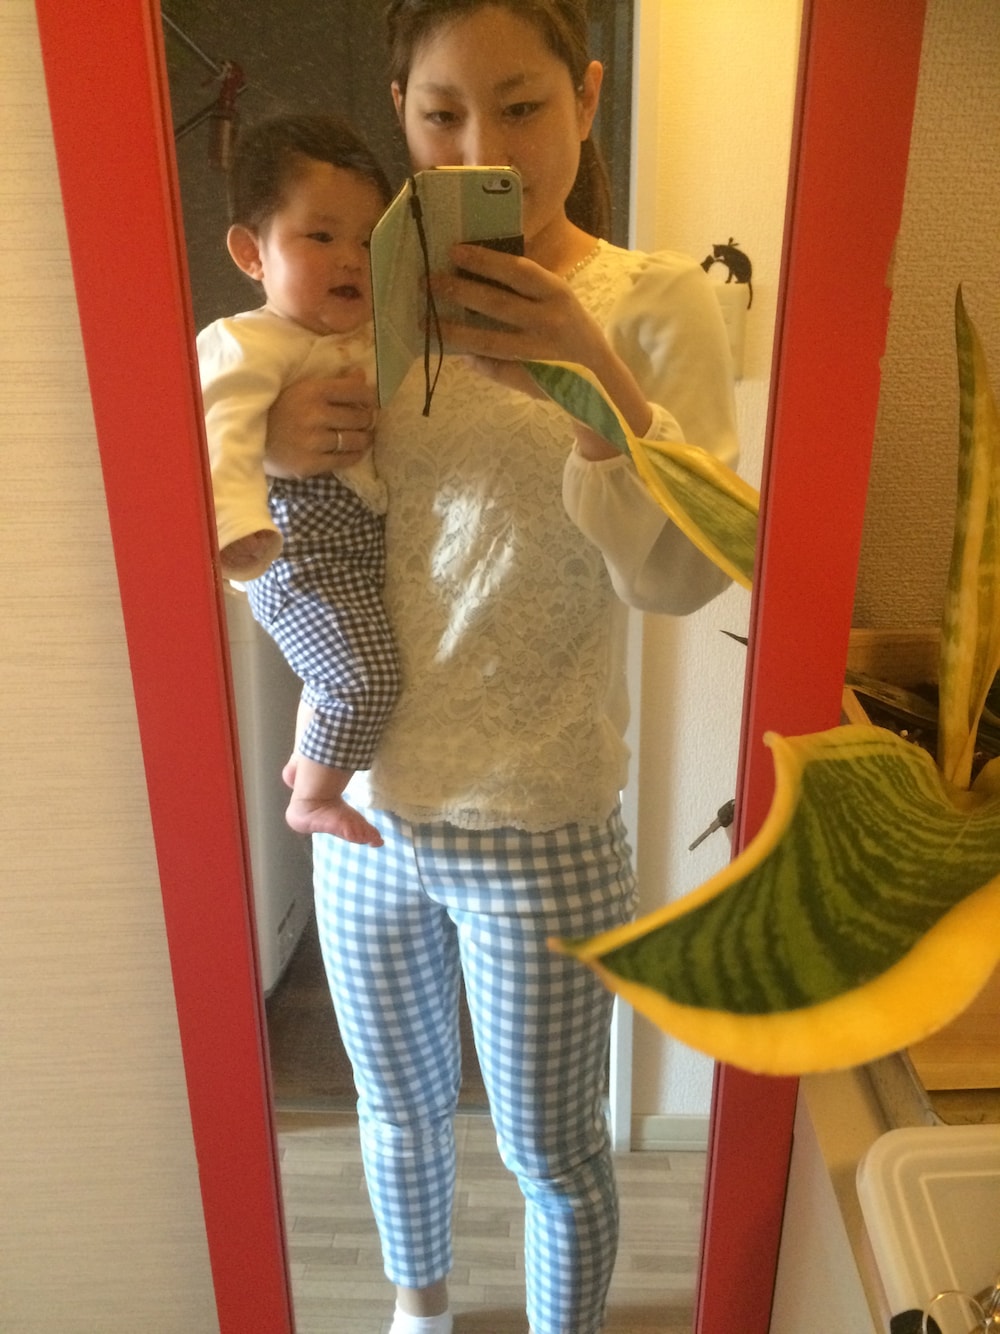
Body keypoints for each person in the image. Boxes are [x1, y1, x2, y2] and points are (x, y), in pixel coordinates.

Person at [264, 4, 739, 1331]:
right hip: (365, 814)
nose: (482, 149)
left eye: (522, 106)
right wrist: (269, 454)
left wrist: (588, 382)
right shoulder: (356, 295)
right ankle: (418, 1311)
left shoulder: (655, 303)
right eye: (441, 115)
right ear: (400, 113)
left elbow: (682, 575)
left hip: (542, 819)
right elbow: (278, 556)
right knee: (395, 1109)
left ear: (587, 96)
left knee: (555, 1152)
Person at [197, 114, 400, 847]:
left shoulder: (373, 339)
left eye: (369, 241)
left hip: (354, 550)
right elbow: (218, 437)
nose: (350, 258)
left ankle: (309, 761)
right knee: (363, 678)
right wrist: (237, 530)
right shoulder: (245, 343)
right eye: (321, 236)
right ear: (253, 253)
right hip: (296, 551)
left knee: (345, 667)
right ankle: (311, 799)